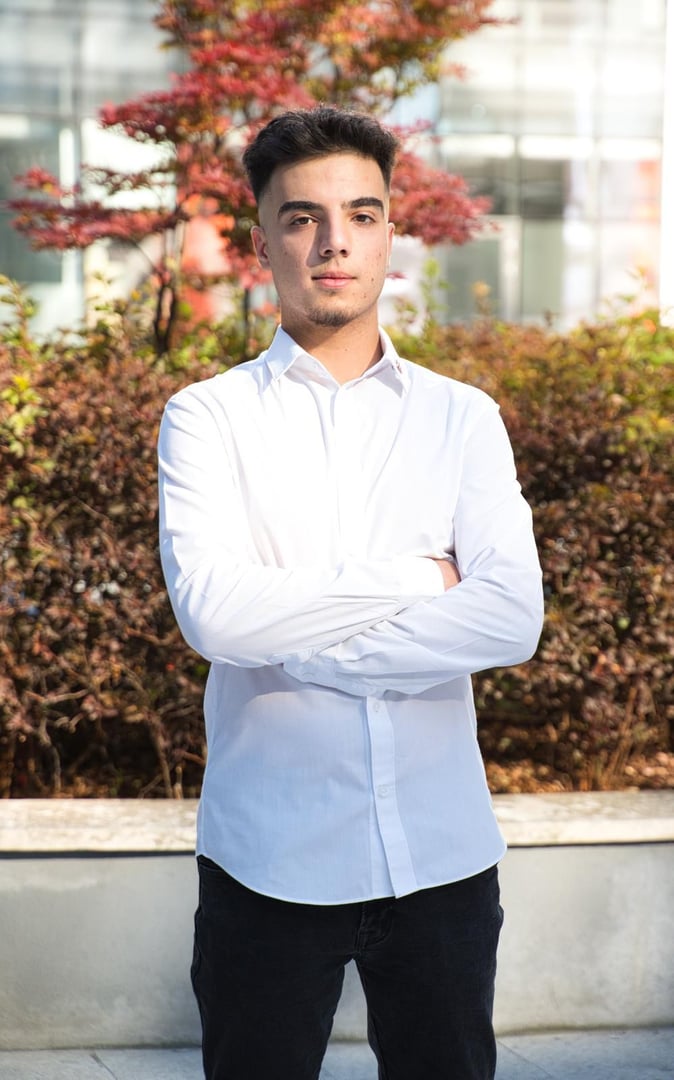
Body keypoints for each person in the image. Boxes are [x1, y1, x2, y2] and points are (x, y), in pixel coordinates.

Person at [157, 105, 543, 1080]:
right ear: (262, 241)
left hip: (441, 858)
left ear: (387, 232)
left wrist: (305, 644)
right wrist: (416, 580)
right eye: (301, 217)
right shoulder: (206, 419)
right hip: (268, 862)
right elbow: (217, 614)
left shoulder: (461, 419)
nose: (333, 241)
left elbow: (508, 615)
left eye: (361, 215)